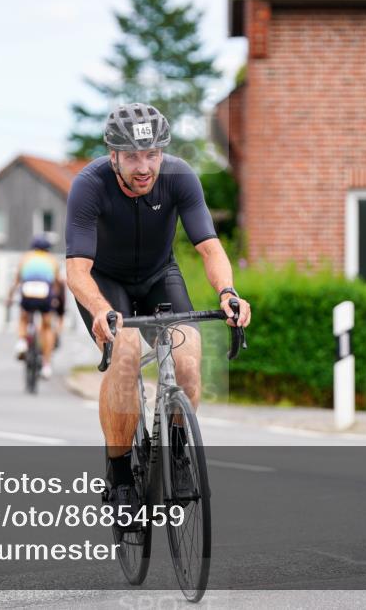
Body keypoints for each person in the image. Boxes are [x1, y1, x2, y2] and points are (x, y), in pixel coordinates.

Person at [65, 103, 252, 518]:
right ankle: (119, 475)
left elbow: (209, 246)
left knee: (187, 356)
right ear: (112, 155)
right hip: (106, 283)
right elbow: (77, 270)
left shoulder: (180, 177)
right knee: (126, 352)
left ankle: (180, 453)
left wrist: (228, 292)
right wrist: (99, 308)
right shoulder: (89, 185)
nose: (144, 166)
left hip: (157, 275)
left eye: (152, 154)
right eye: (132, 156)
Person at [9, 234, 64, 379]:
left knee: (23, 318)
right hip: (45, 290)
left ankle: (21, 342)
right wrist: (56, 300)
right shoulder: (52, 260)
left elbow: (16, 281)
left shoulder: (26, 257)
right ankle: (46, 365)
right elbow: (57, 284)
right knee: (47, 327)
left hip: (28, 288)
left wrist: (9, 298)